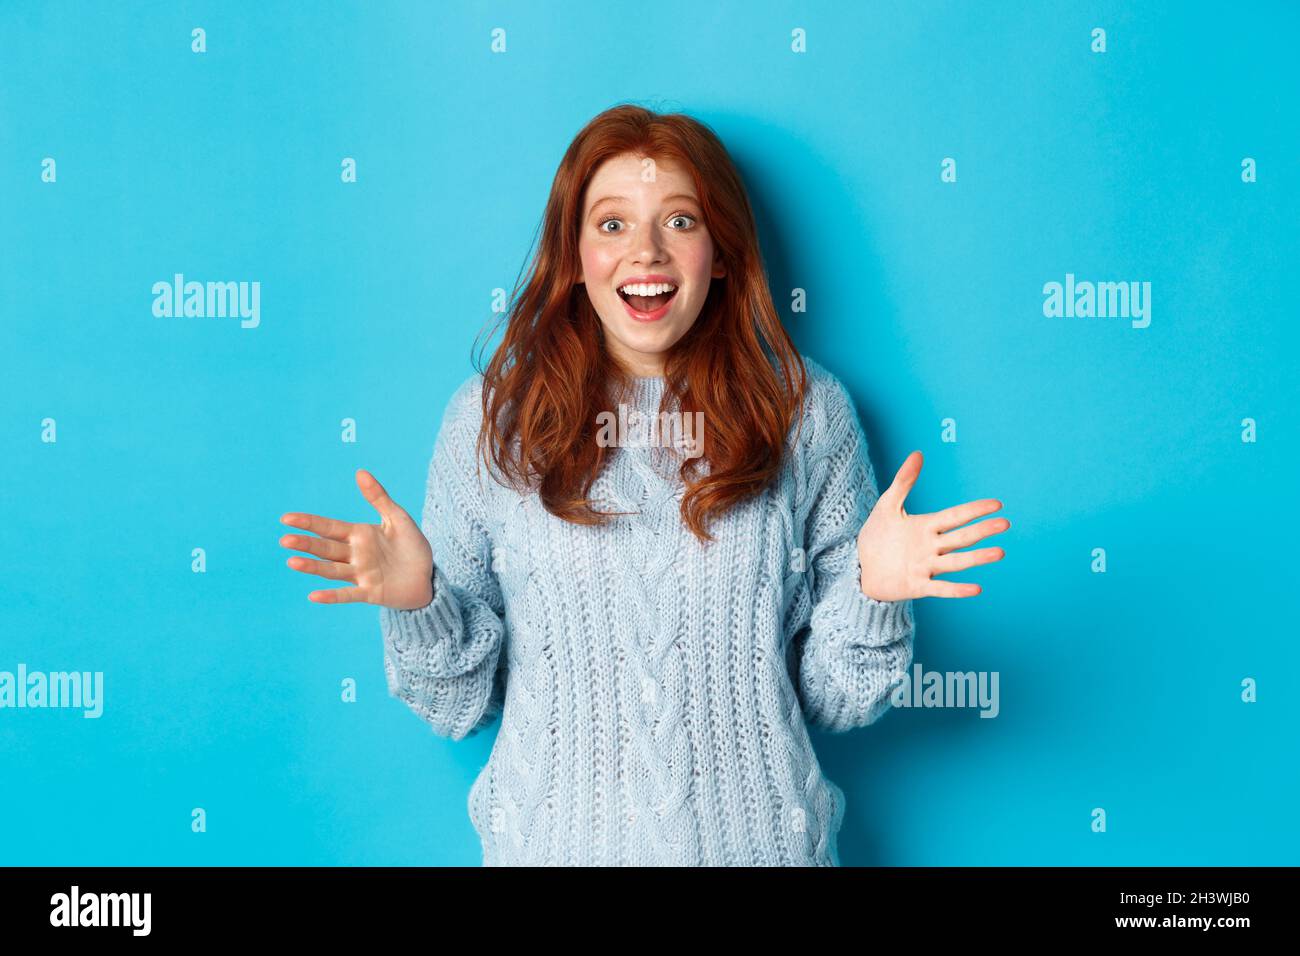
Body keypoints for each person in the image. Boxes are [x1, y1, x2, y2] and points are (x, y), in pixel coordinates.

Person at [278, 103, 1010, 866]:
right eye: (613, 224)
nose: (647, 253)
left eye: (682, 222)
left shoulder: (806, 413)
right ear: (574, 253)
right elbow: (459, 705)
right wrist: (420, 606)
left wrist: (875, 593)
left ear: (722, 251)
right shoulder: (492, 421)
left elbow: (836, 700)